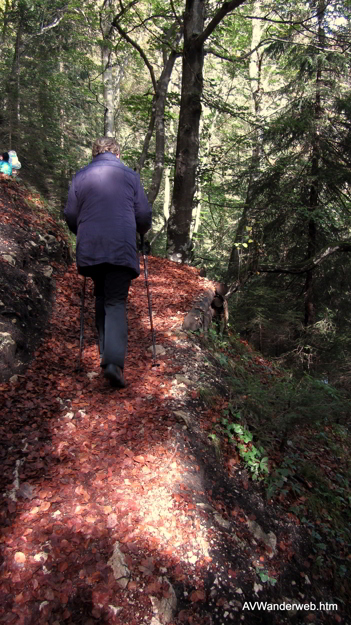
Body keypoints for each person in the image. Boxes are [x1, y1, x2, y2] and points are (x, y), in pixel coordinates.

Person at [64, 136, 152, 388]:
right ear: (117, 154)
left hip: (91, 247)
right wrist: (142, 230)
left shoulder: (80, 176)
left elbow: (71, 214)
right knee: (114, 300)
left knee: (101, 296)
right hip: (120, 246)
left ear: (94, 153)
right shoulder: (130, 176)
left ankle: (106, 353)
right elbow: (143, 214)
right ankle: (112, 363)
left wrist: (81, 231)